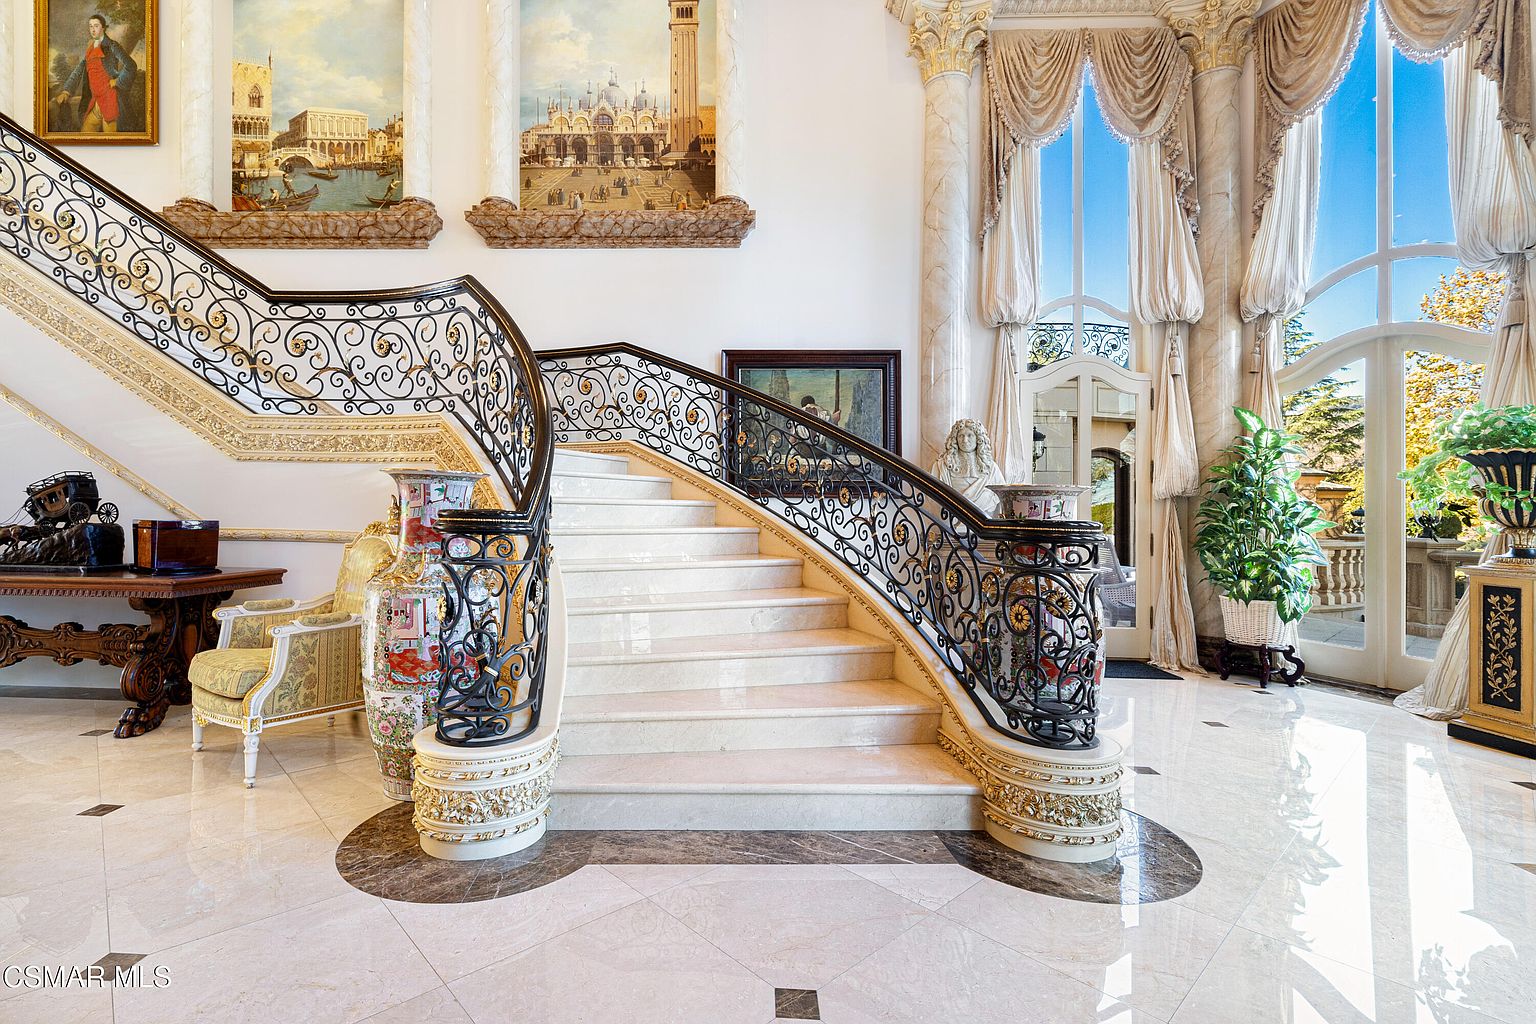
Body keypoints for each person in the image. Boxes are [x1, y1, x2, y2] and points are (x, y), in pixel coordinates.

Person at [53, 13, 137, 134]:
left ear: (103, 28)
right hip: (96, 100)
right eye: (90, 26)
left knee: (111, 142)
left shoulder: (112, 46)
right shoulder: (90, 48)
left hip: (110, 99)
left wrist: (118, 81)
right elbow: (78, 71)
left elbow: (131, 65)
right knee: (85, 135)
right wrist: (66, 91)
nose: (93, 29)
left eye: (96, 26)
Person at [930, 419, 1005, 516]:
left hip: (982, 525)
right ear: (955, 439)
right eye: (961, 436)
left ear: (978, 439)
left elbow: (1001, 496)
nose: (965, 440)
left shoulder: (991, 469)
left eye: (970, 435)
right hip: (949, 523)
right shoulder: (942, 467)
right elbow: (933, 497)